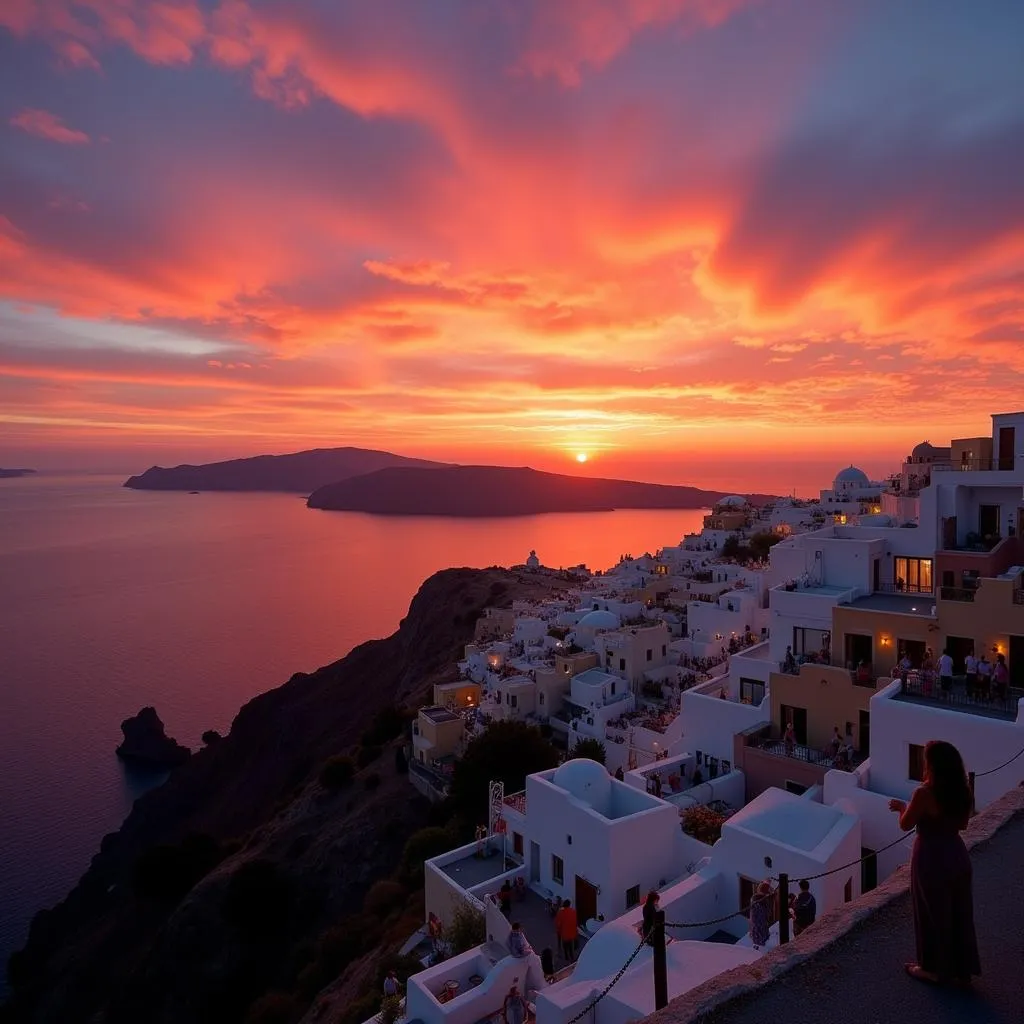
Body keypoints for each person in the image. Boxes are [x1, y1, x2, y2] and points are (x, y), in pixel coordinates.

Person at [888, 740, 980, 986]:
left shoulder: (924, 793)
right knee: (959, 912)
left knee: (932, 914)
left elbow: (906, 824)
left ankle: (932, 970)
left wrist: (901, 808)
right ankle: (962, 970)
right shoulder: (963, 789)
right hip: (958, 855)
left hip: (931, 858)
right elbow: (963, 825)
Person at [749, 881, 772, 949]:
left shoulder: (754, 898)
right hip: (763, 923)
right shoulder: (767, 899)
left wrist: (750, 928)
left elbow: (752, 914)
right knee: (762, 941)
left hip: (756, 922)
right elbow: (768, 912)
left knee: (756, 941)